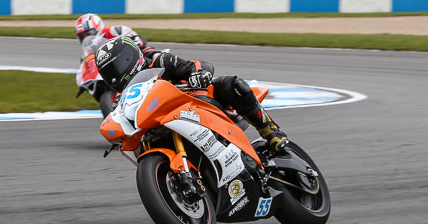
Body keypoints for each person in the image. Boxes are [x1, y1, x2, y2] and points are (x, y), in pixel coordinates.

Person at [95, 36, 288, 154]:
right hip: (159, 126)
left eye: (117, 66)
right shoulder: (120, 99)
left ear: (130, 57)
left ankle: (270, 131)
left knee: (231, 84)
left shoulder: (159, 61)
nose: (115, 74)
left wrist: (199, 74)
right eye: (109, 71)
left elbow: (196, 65)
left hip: (195, 105)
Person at [74, 13, 158, 60]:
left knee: (149, 52)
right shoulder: (88, 52)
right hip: (115, 71)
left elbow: (139, 40)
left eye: (88, 34)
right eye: (83, 36)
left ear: (98, 28)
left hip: (134, 59)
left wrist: (128, 47)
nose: (86, 38)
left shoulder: (115, 31)